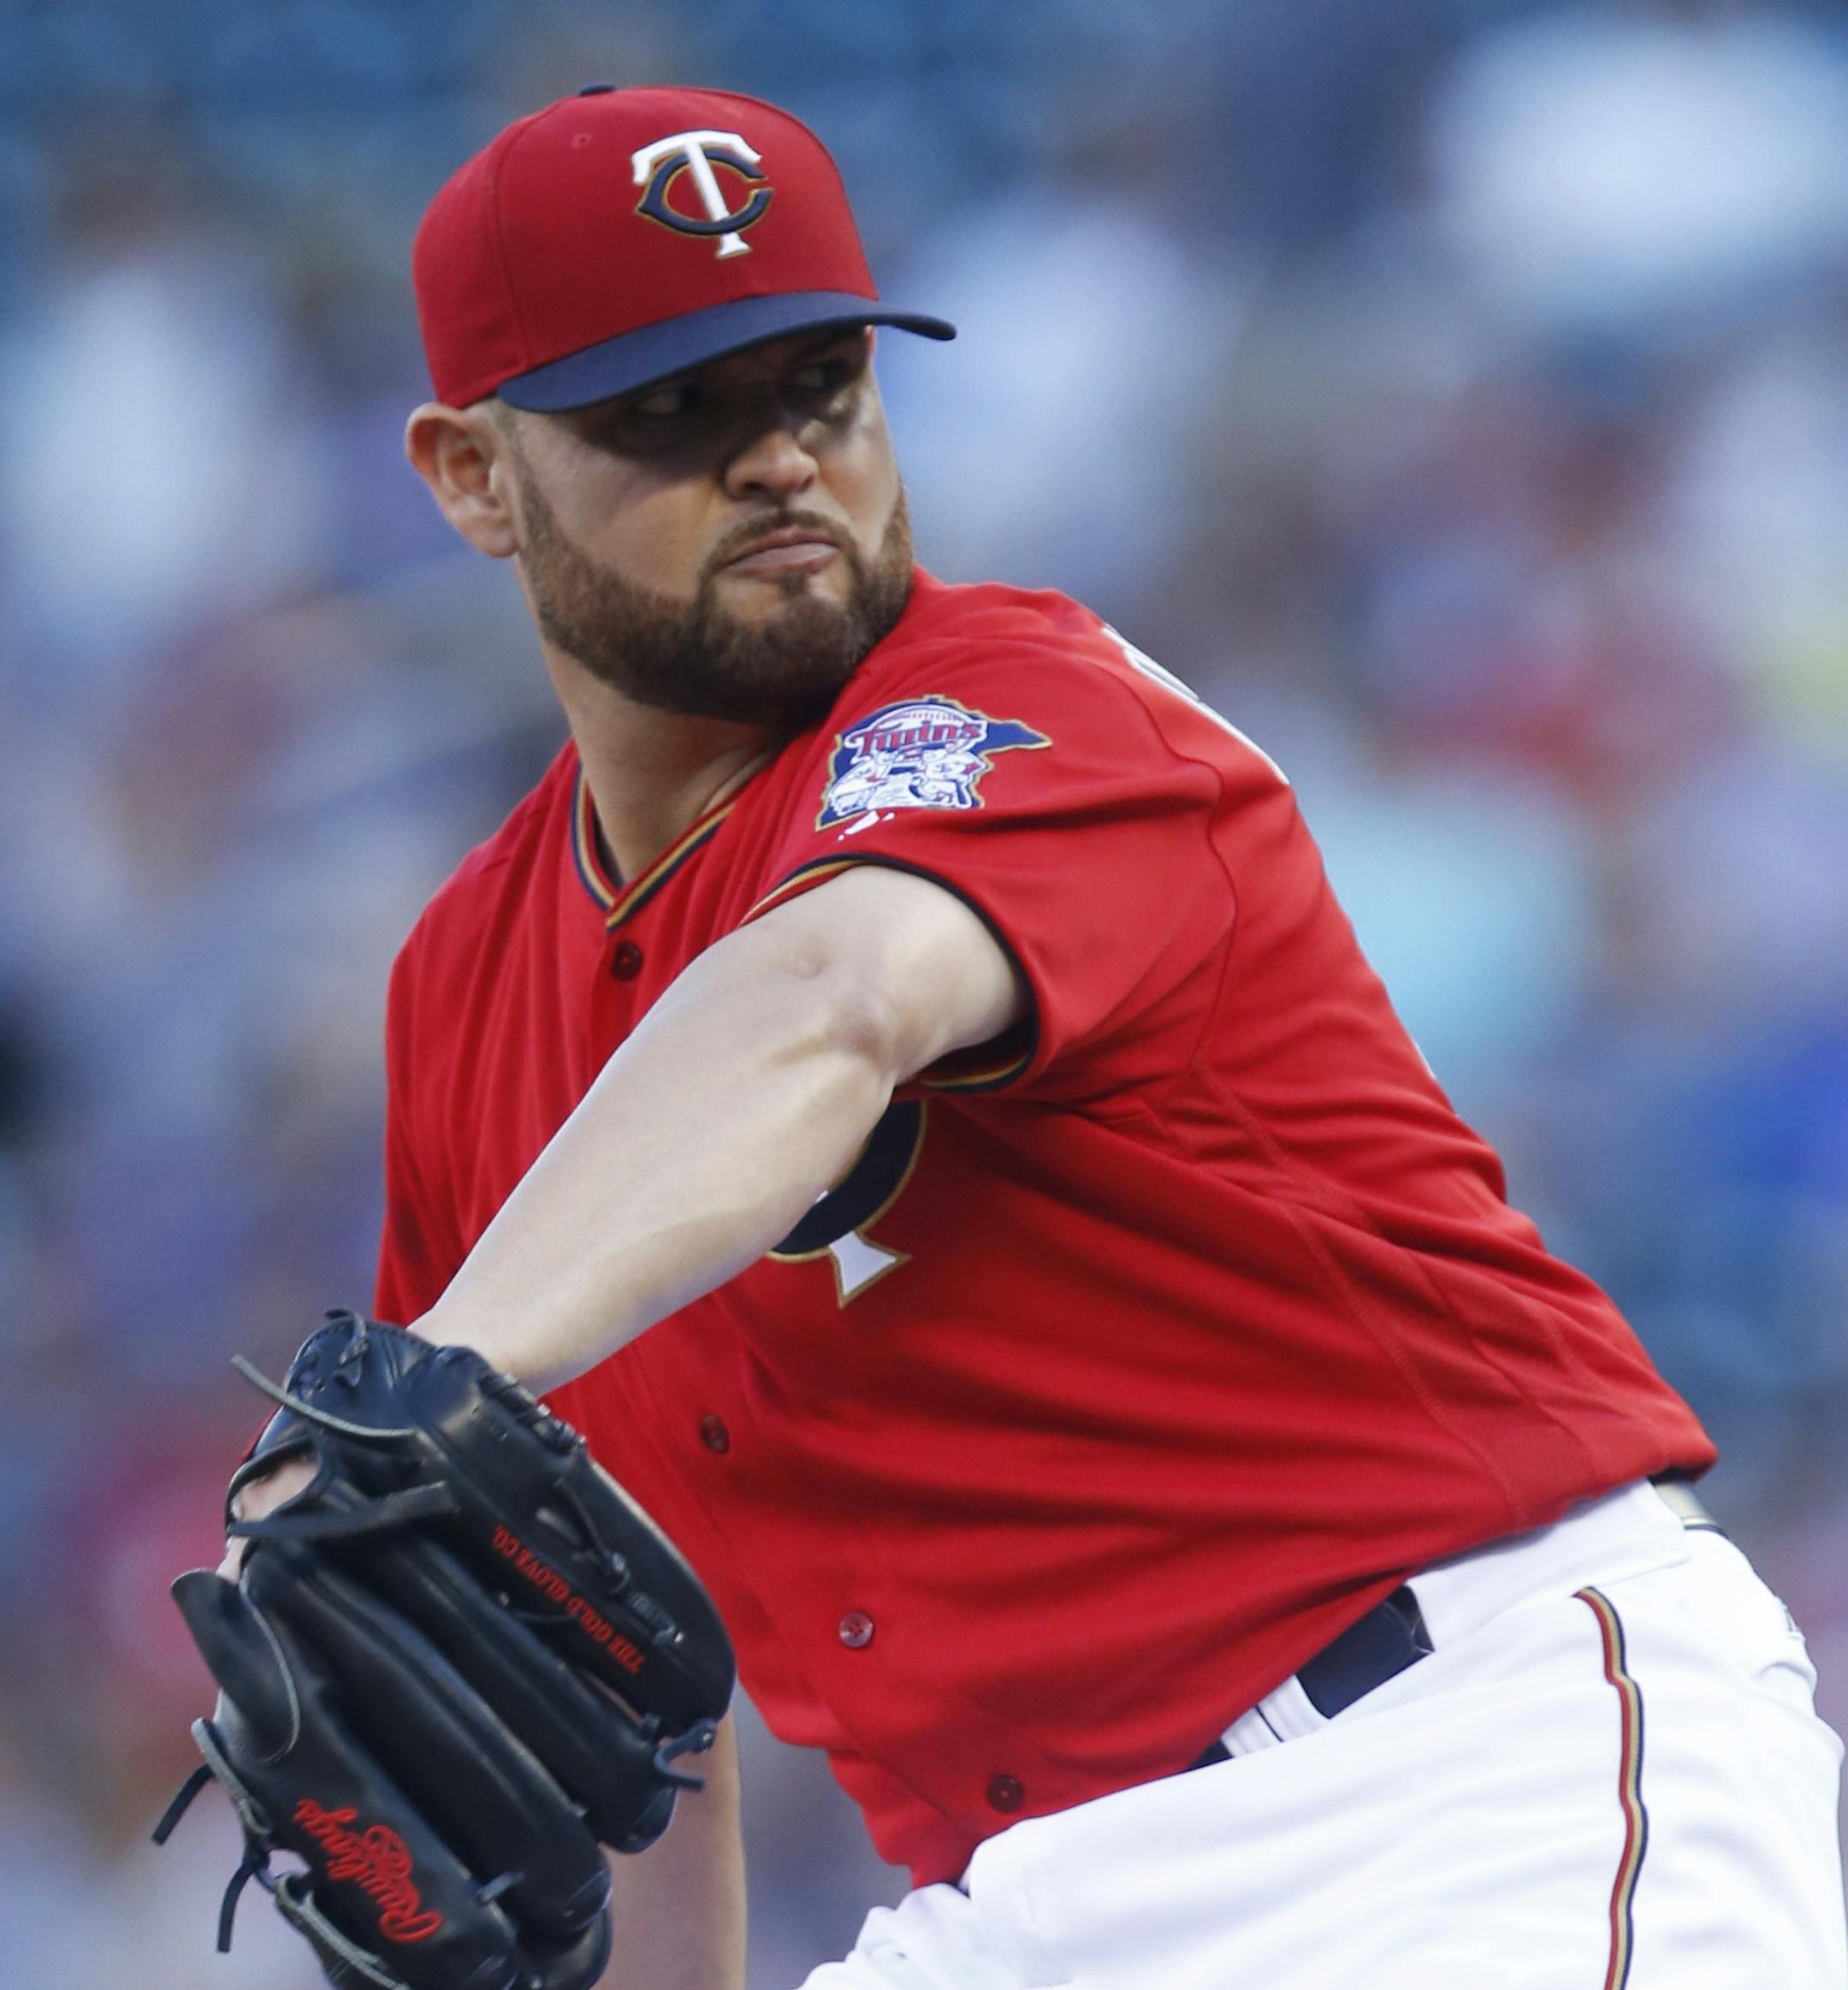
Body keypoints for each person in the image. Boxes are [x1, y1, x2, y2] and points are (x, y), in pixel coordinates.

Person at [245, 83, 1847, 1988]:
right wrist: (423, 1446)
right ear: (469, 475)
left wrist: (410, 1397)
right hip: (1019, 1910)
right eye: (669, 409)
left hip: (1455, 1767)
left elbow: (825, 1003)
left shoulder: (1025, 699)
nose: (775, 458)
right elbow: (603, 1665)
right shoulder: (467, 985)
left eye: (816, 381)